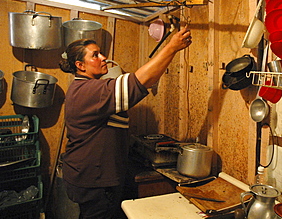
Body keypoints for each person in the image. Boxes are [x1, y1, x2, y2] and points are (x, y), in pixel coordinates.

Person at [59, 26, 192, 219]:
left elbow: (143, 81)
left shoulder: (89, 88)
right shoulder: (89, 91)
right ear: (81, 65)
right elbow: (138, 82)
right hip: (94, 179)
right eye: (95, 55)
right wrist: (171, 47)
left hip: (91, 175)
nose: (103, 57)